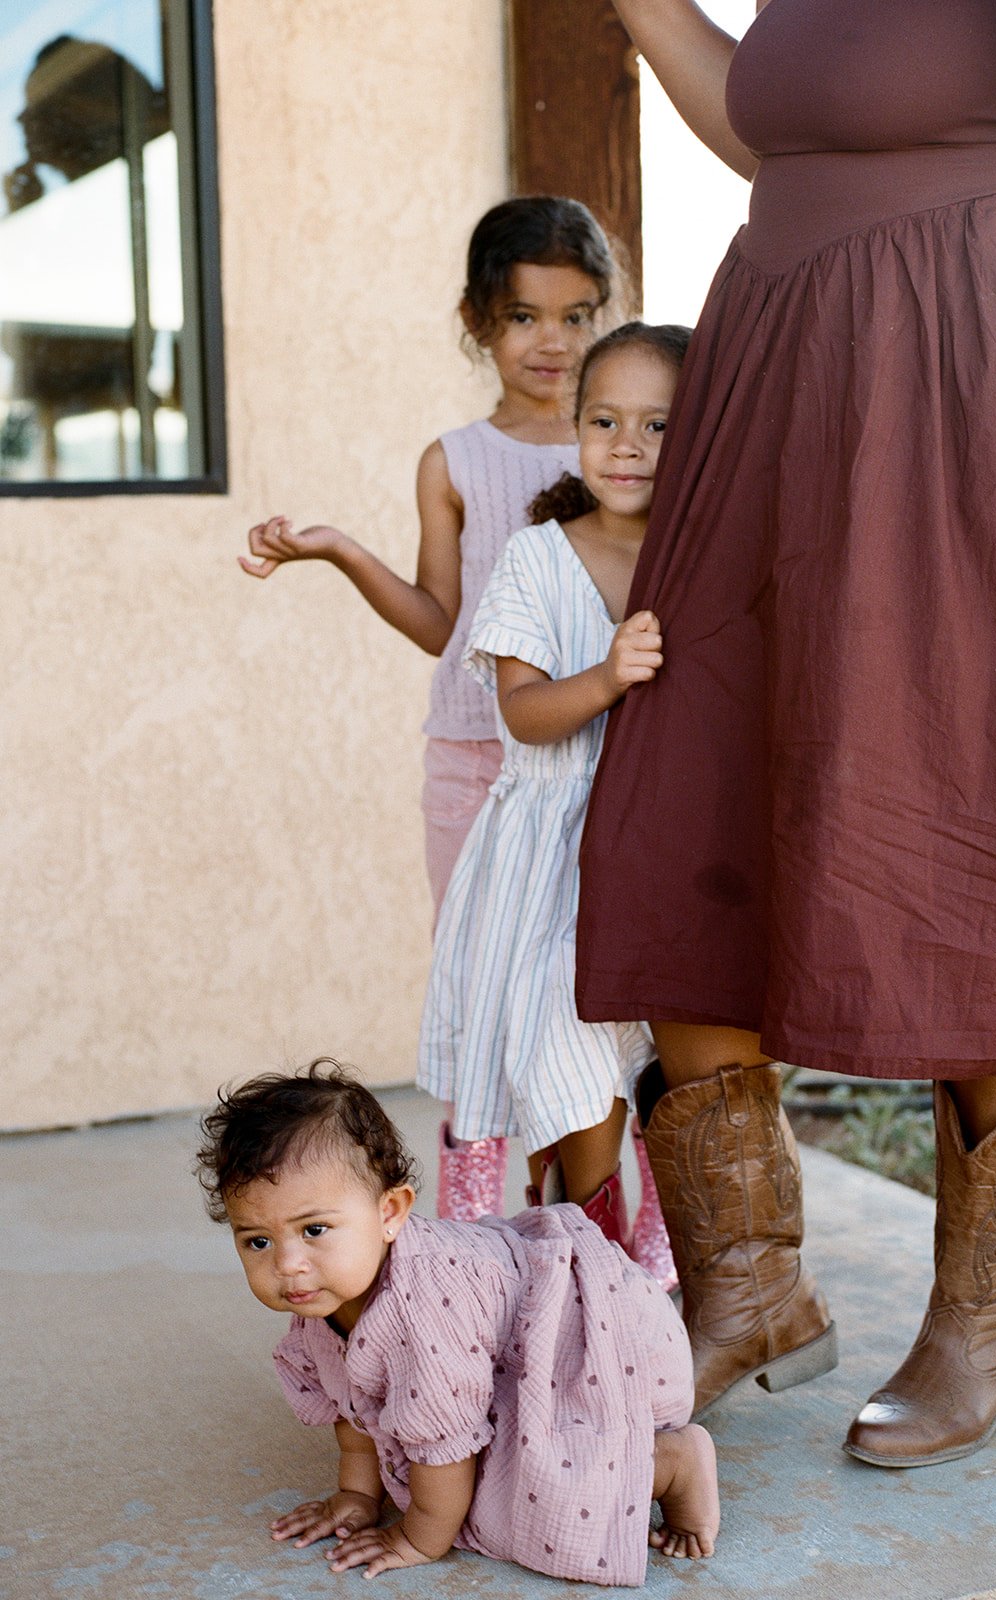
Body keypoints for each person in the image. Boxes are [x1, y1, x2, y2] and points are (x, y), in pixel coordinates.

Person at [576, 0, 996, 1464]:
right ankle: (749, 1280)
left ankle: (984, 1320)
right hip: (784, 365)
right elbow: (780, 126)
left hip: (982, 367)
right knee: (691, 781)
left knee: (983, 800)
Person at [238, 197, 612, 1222]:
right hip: (472, 760)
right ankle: (482, 1233)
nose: (552, 340)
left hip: (593, 754)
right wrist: (339, 551)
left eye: (576, 315)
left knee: (588, 995)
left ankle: (596, 1218)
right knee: (481, 986)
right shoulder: (453, 460)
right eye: (524, 315)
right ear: (477, 319)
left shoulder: (620, 448)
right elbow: (439, 618)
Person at [195, 1062, 719, 1584]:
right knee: (450, 1462)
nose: (287, 1264)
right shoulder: (329, 1292)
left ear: (391, 1212)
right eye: (257, 1241)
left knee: (531, 1500)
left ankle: (673, 1462)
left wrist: (418, 1538)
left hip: (604, 1344)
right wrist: (358, 1495)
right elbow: (351, 1409)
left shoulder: (423, 1312)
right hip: (519, 1345)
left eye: (313, 1229)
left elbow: (445, 1449)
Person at [418, 323, 690, 1278]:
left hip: (667, 857)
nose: (627, 445)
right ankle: (576, 1255)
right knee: (554, 1054)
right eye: (605, 420)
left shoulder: (703, 557)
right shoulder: (537, 555)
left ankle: (637, 1274)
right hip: (547, 856)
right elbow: (526, 715)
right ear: (574, 430)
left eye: (660, 424)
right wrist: (610, 675)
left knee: (647, 1064)